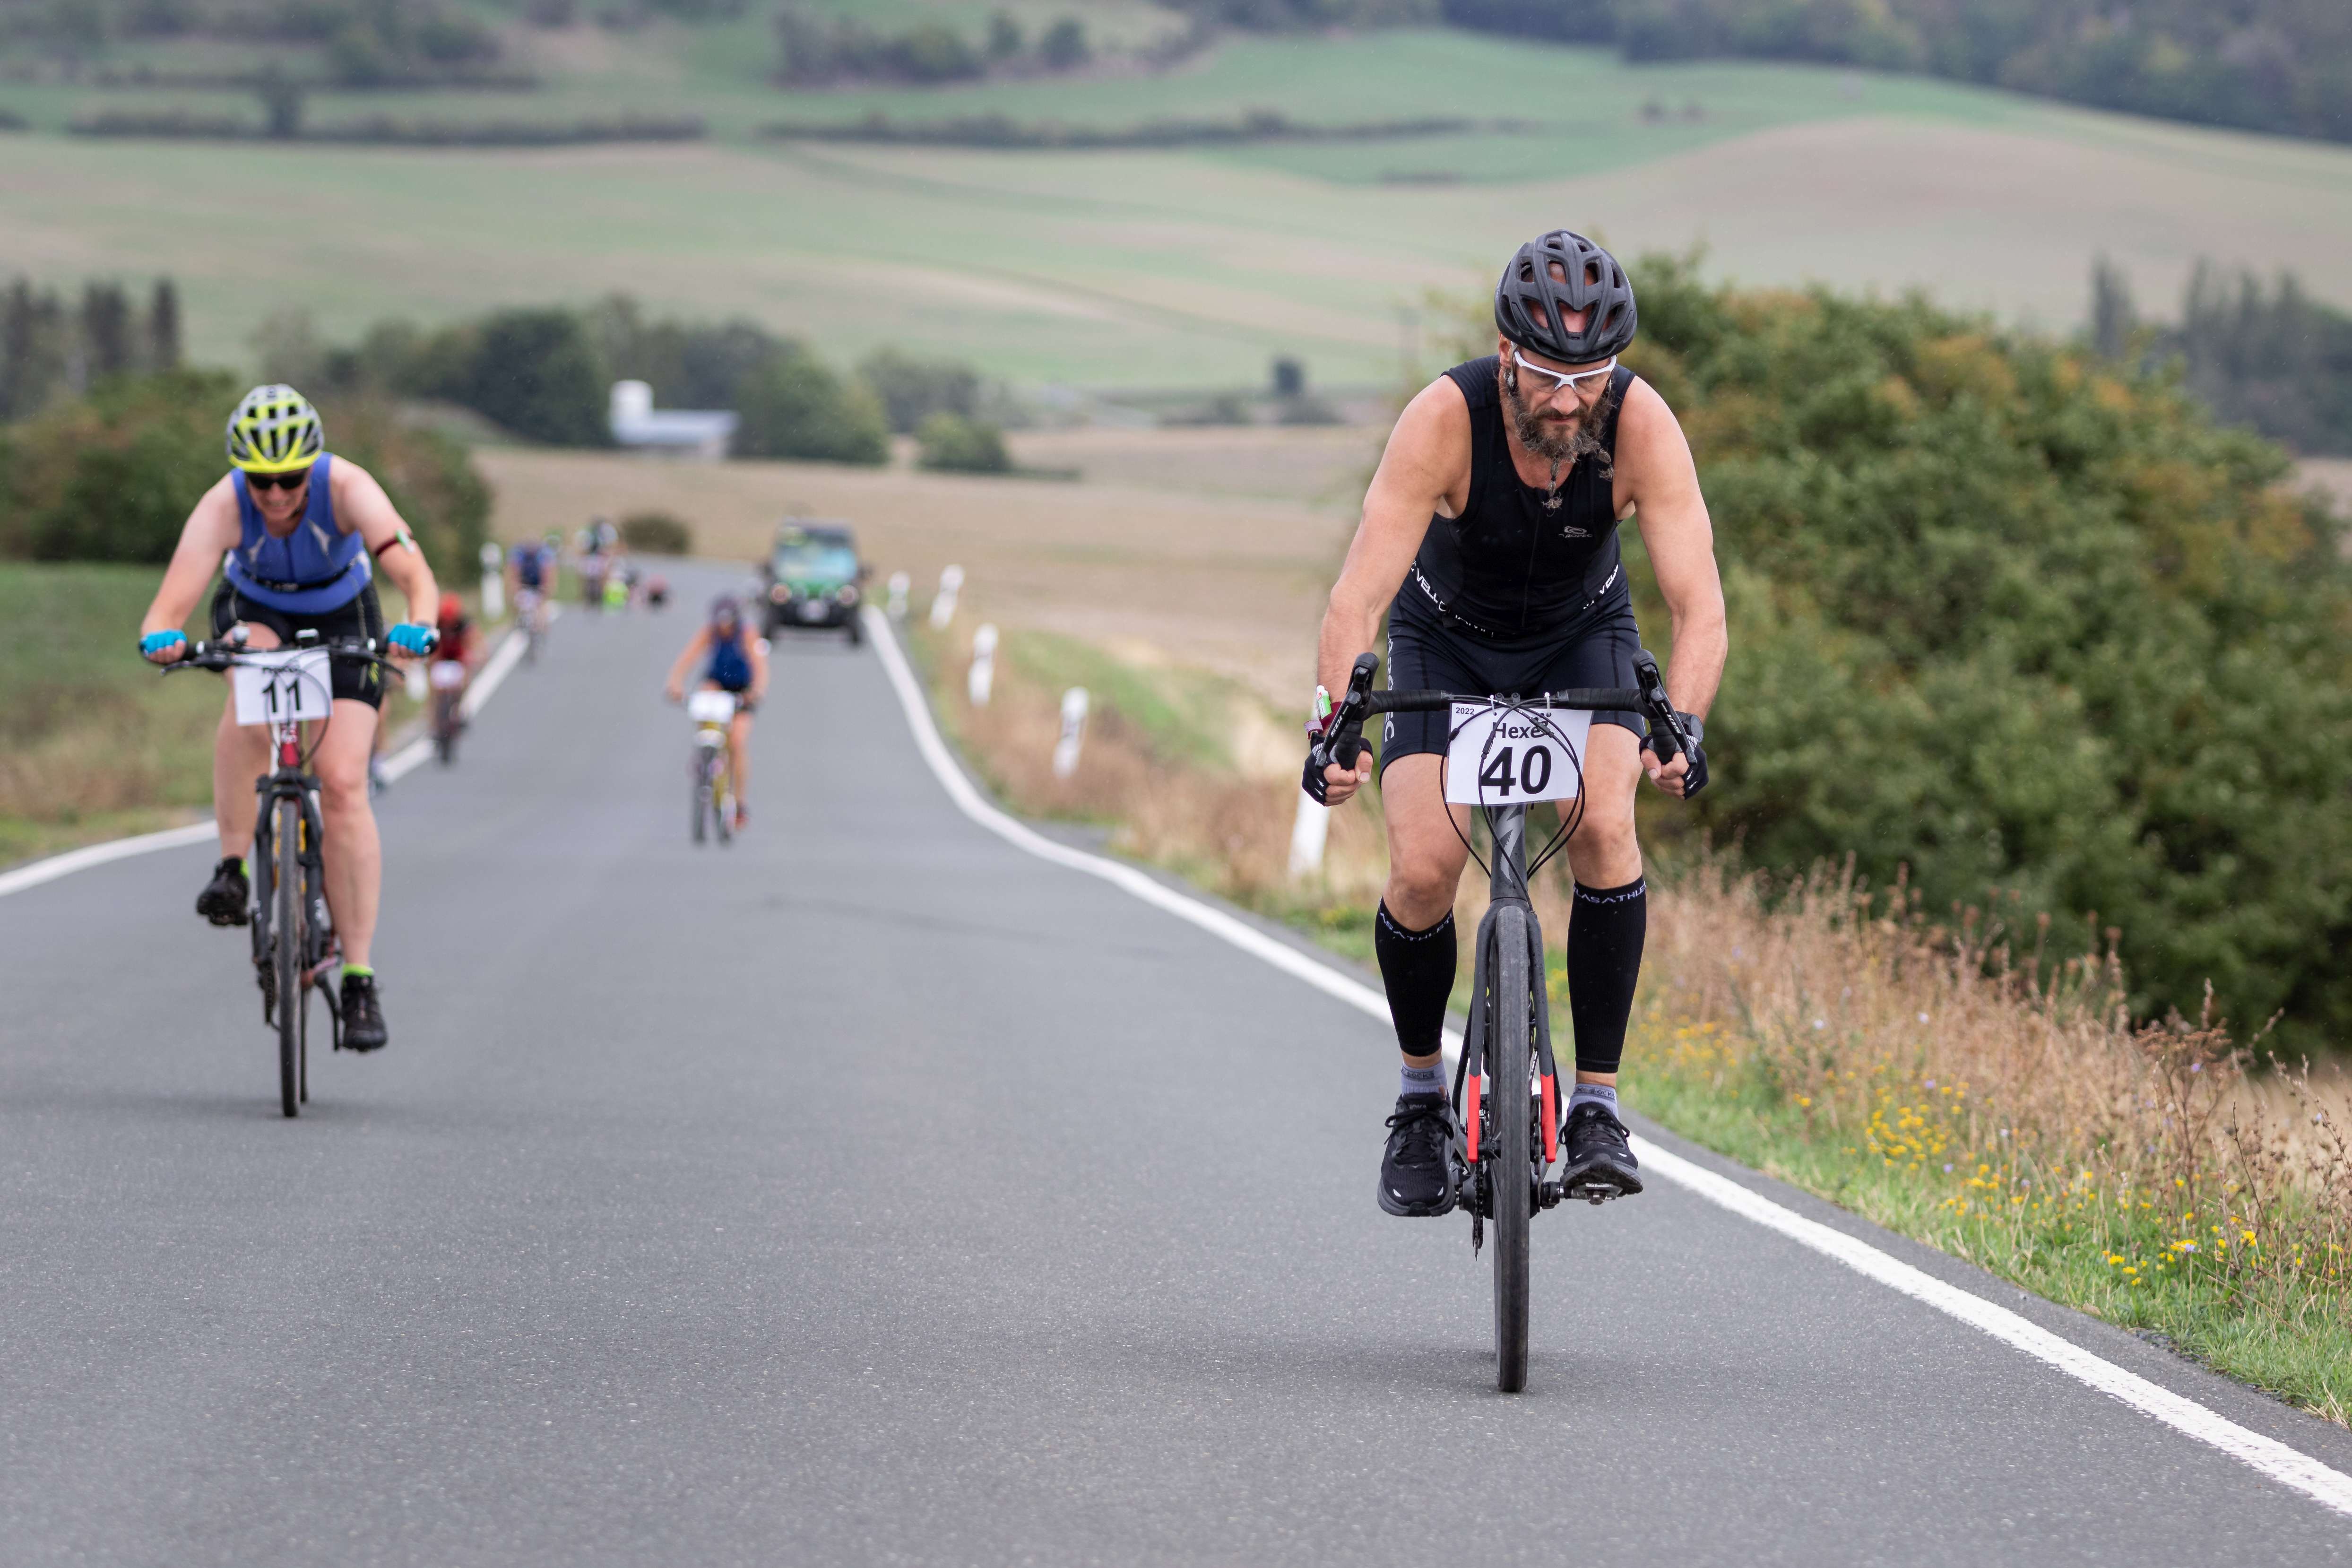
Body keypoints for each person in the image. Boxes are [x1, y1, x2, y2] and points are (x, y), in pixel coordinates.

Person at [1305, 231, 1727, 1217]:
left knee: (1605, 830)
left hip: (1582, 637)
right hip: (1444, 642)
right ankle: (1420, 1100)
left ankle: (1598, 1106)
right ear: (1505, 354)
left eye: (1590, 377)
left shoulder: (1642, 424)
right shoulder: (1443, 419)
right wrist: (1334, 730)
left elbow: (1699, 605)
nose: (1568, 401)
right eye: (1546, 376)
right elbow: (1354, 599)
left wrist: (1684, 723)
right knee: (1422, 869)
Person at [137, 384, 441, 1051]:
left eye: (290, 478)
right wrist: (161, 636)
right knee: (251, 690)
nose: (275, 495)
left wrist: (419, 624)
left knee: (344, 782)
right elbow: (167, 607)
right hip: (256, 609)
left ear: (313, 466)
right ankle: (233, 866)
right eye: (261, 481)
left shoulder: (349, 488)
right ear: (243, 475)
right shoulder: (224, 504)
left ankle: (359, 978)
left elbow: (416, 577)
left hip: (344, 611)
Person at [664, 595, 767, 831]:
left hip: (742, 690)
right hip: (717, 684)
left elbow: (760, 666)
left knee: (737, 742)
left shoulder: (747, 634)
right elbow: (688, 658)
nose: (723, 627)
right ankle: (705, 752)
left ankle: (739, 803)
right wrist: (675, 684)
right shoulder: (710, 632)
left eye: (727, 622)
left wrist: (757, 691)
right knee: (705, 698)